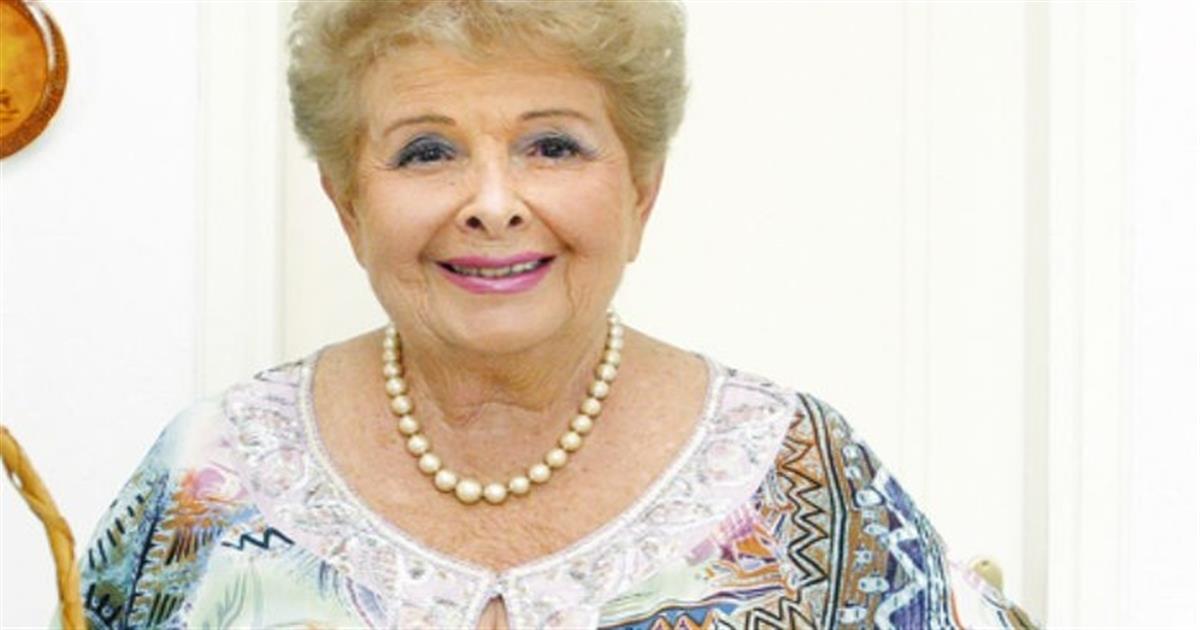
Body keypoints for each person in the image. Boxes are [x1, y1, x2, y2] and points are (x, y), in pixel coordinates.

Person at [66, 1, 1036, 628]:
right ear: (347, 204)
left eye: (553, 146)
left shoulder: (795, 468)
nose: (493, 204)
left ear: (641, 191)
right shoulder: (209, 471)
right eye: (427, 151)